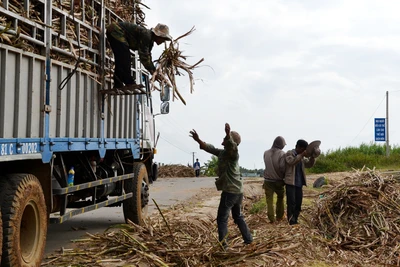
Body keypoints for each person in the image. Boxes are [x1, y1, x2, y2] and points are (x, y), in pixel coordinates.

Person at [189, 123, 253, 249]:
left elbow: (232, 147)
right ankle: (248, 239)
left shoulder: (233, 154)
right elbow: (209, 148)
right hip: (237, 191)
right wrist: (198, 140)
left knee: (222, 219)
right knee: (237, 216)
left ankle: (224, 246)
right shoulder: (223, 153)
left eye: (225, 139)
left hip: (230, 191)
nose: (223, 141)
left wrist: (228, 135)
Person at [106, 22, 172, 88]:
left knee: (121, 59)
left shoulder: (150, 41)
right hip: (116, 30)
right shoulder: (147, 35)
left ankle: (118, 83)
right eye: (163, 39)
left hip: (115, 31)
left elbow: (148, 56)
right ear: (158, 35)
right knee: (125, 58)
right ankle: (129, 82)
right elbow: (144, 56)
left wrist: (153, 71)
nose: (163, 41)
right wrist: (153, 71)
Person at [284, 139, 316, 225]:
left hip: (299, 183)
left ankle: (295, 219)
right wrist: (301, 155)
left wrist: (313, 157)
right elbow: (291, 162)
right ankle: (291, 221)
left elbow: (309, 164)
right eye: (303, 149)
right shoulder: (289, 154)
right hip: (291, 183)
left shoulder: (301, 157)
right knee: (291, 203)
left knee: (298, 203)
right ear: (298, 147)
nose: (305, 152)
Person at [263, 136, 287, 223]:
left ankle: (271, 219)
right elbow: (282, 168)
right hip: (278, 181)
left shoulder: (266, 152)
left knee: (269, 200)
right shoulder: (282, 154)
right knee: (280, 198)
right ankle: (279, 217)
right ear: (281, 145)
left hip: (268, 181)